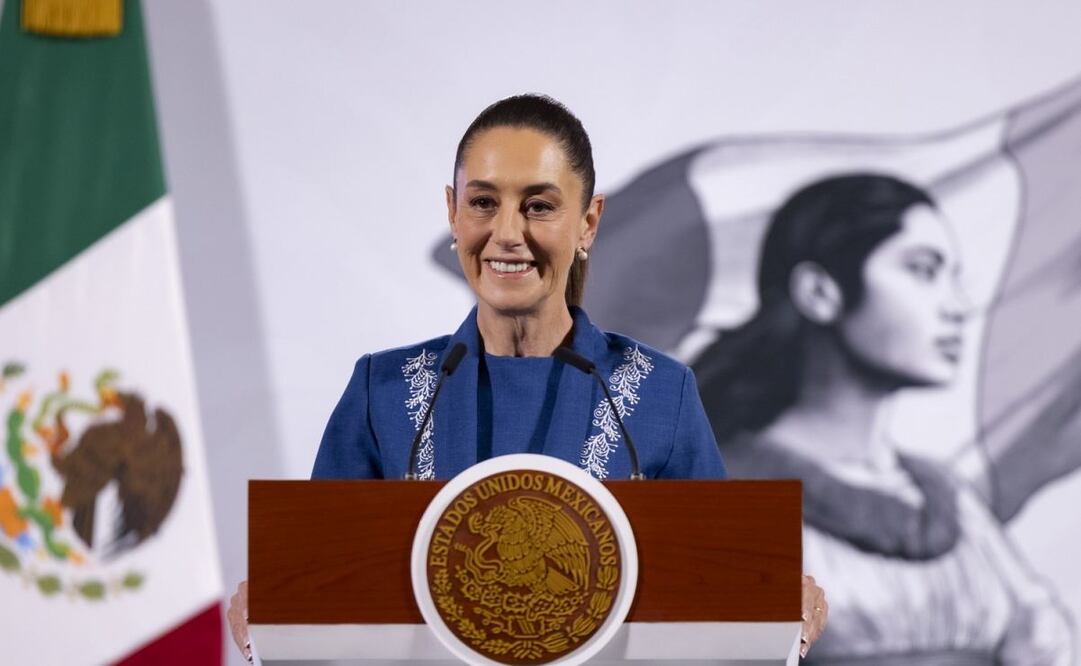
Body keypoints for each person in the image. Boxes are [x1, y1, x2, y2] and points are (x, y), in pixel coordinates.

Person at [227, 94, 828, 661]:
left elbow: (720, 595)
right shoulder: (380, 390)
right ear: (452, 213)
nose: (507, 232)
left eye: (538, 205)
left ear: (589, 223)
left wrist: (775, 604)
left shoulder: (660, 392)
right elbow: (323, 594)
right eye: (483, 202)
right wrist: (274, 613)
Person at [693, 174, 1073, 665]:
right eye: (923, 270)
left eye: (955, 276)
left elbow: (1039, 636)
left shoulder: (948, 499)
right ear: (820, 292)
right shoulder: (720, 497)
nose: (958, 306)